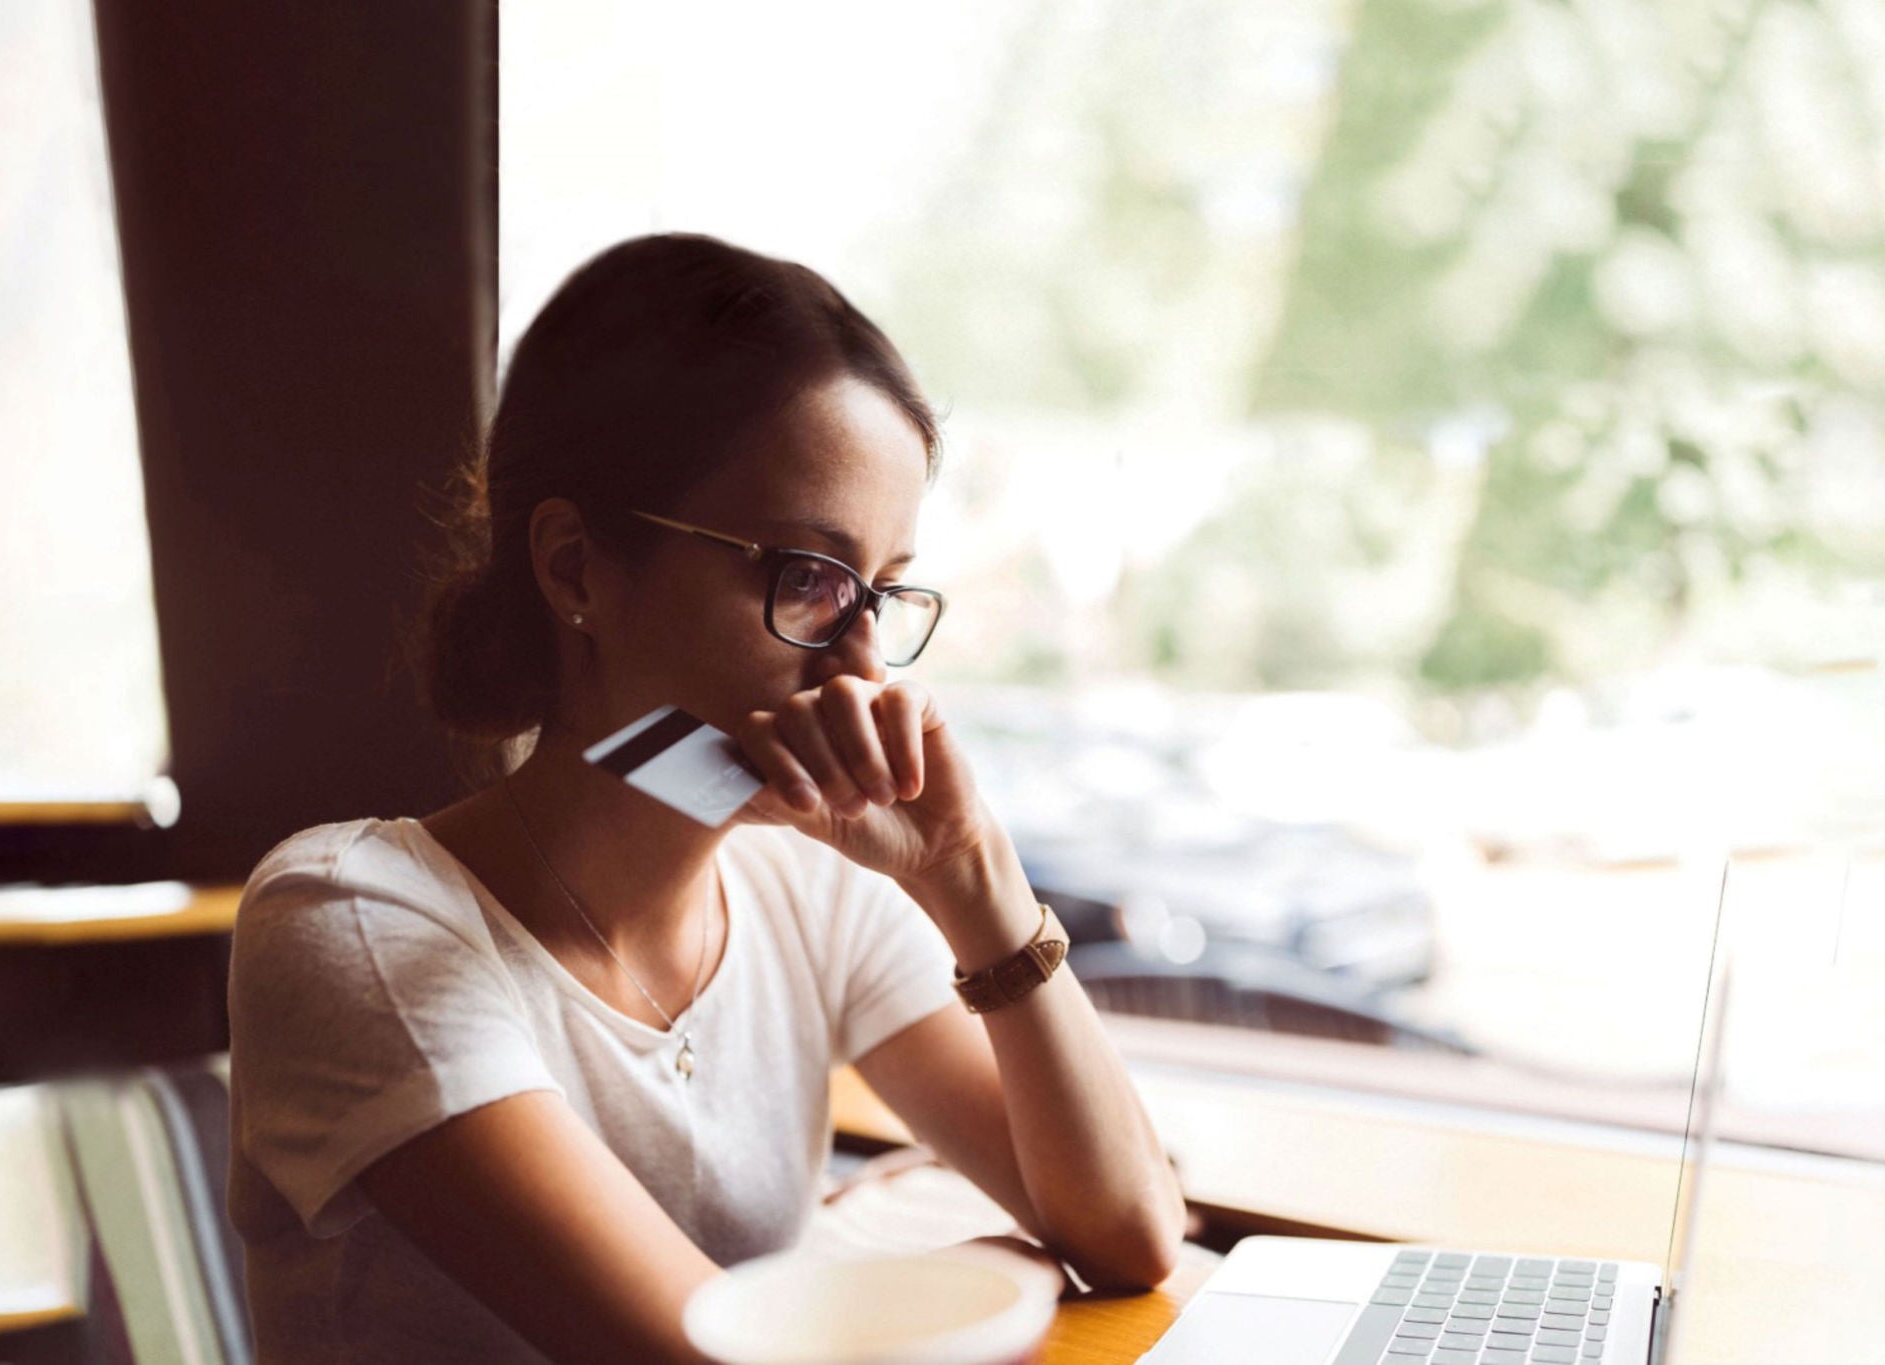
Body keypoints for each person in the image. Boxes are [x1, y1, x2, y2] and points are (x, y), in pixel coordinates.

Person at [224, 231, 1187, 1364]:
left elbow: (1129, 1233)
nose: (862, 670)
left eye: (881, 593)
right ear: (575, 568)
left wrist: (968, 875)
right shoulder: (355, 926)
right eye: (807, 578)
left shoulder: (804, 888)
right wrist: (990, 1269)